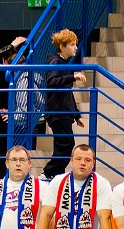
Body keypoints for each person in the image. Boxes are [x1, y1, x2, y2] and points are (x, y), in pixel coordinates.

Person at [41, 29, 85, 179]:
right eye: (72, 44)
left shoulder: (64, 63)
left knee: (64, 144)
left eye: (75, 44)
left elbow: (68, 93)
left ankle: (54, 174)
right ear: (62, 46)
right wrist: (72, 77)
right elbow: (52, 81)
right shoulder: (55, 61)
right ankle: (48, 173)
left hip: (63, 113)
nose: (75, 47)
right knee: (66, 144)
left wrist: (77, 115)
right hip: (57, 112)